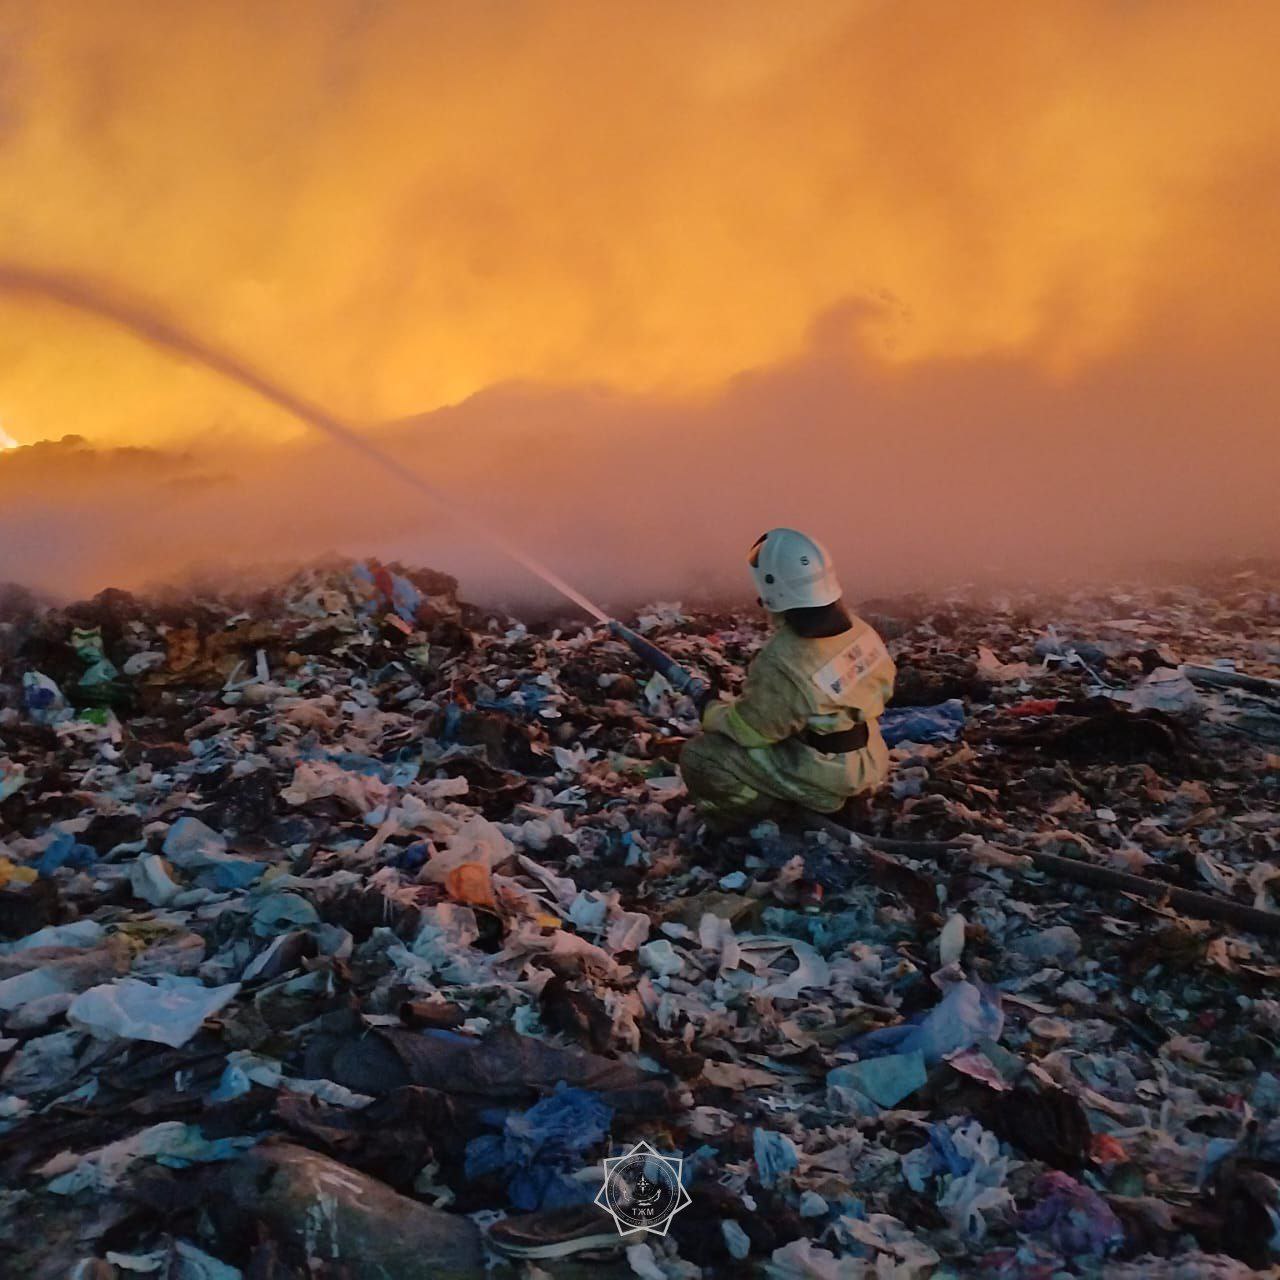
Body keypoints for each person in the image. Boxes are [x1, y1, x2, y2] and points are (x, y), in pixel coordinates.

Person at [680, 528, 896, 828]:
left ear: (773, 586)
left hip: (827, 774)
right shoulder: (860, 631)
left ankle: (777, 817)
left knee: (700, 757)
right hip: (869, 759)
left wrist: (711, 710)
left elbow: (749, 731)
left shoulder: (784, 659)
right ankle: (832, 799)